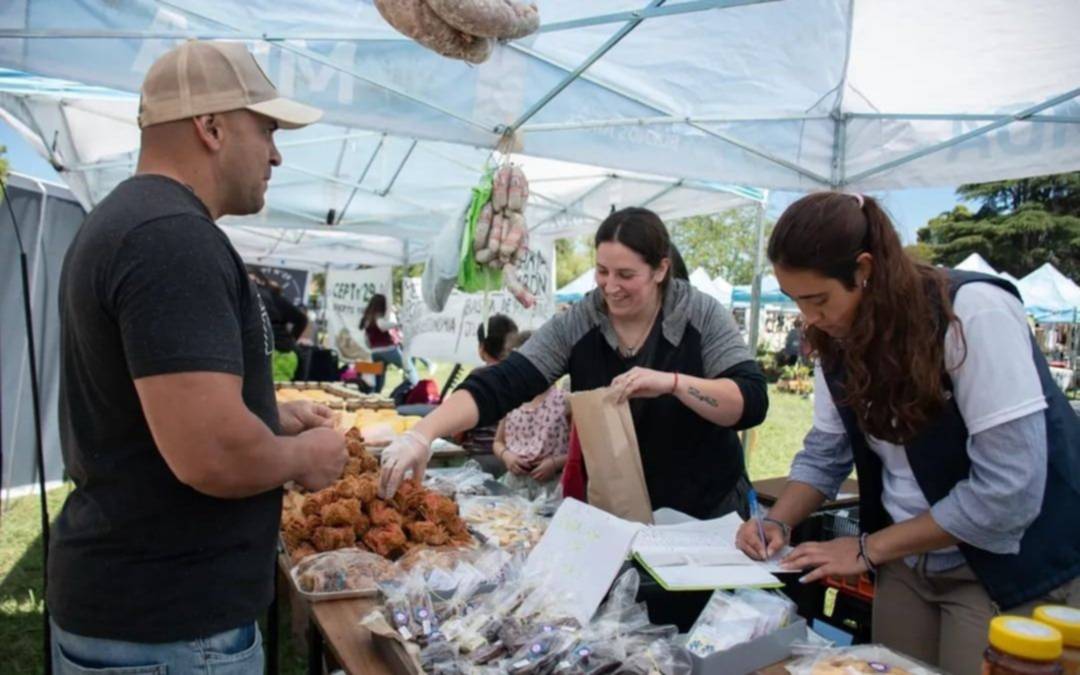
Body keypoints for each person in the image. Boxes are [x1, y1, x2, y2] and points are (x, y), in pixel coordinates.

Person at [51, 40, 346, 674]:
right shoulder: (172, 239)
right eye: (265, 128)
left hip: (140, 611)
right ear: (210, 127)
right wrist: (303, 456)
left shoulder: (131, 223)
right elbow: (212, 454)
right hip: (172, 626)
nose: (276, 152)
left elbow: (150, 409)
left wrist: (268, 412)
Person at [734, 192, 1080, 674]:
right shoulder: (835, 338)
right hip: (906, 565)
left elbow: (1007, 490)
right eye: (797, 302)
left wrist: (866, 549)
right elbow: (826, 454)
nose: (810, 318)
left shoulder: (972, 313)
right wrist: (778, 523)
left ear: (864, 269)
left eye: (818, 300)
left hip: (1003, 569)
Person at [380, 207, 769, 521]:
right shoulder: (582, 320)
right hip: (619, 510)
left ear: (661, 269)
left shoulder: (700, 316)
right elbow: (506, 381)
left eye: (626, 275)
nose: (610, 286)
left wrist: (673, 383)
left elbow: (751, 401)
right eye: (602, 271)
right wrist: (422, 434)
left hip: (704, 514)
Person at [493, 331, 572, 498]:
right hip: (515, 487)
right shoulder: (512, 400)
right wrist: (507, 456)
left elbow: (581, 450)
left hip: (551, 489)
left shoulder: (564, 401)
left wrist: (554, 463)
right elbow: (498, 442)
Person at [457, 314, 519, 475]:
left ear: (482, 348)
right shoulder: (521, 377)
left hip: (479, 460)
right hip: (514, 461)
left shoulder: (478, 378)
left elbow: (457, 430)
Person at [250, 269, 309, 381]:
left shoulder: (263, 295)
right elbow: (301, 319)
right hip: (285, 352)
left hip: (275, 355)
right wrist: (291, 340)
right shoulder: (271, 296)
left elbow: (301, 319)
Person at [360, 293, 419, 393]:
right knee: (410, 369)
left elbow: (366, 339)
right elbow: (382, 326)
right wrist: (399, 324)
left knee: (378, 379)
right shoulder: (378, 318)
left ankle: (374, 397)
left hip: (374, 352)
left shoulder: (367, 319)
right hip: (388, 350)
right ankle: (418, 389)